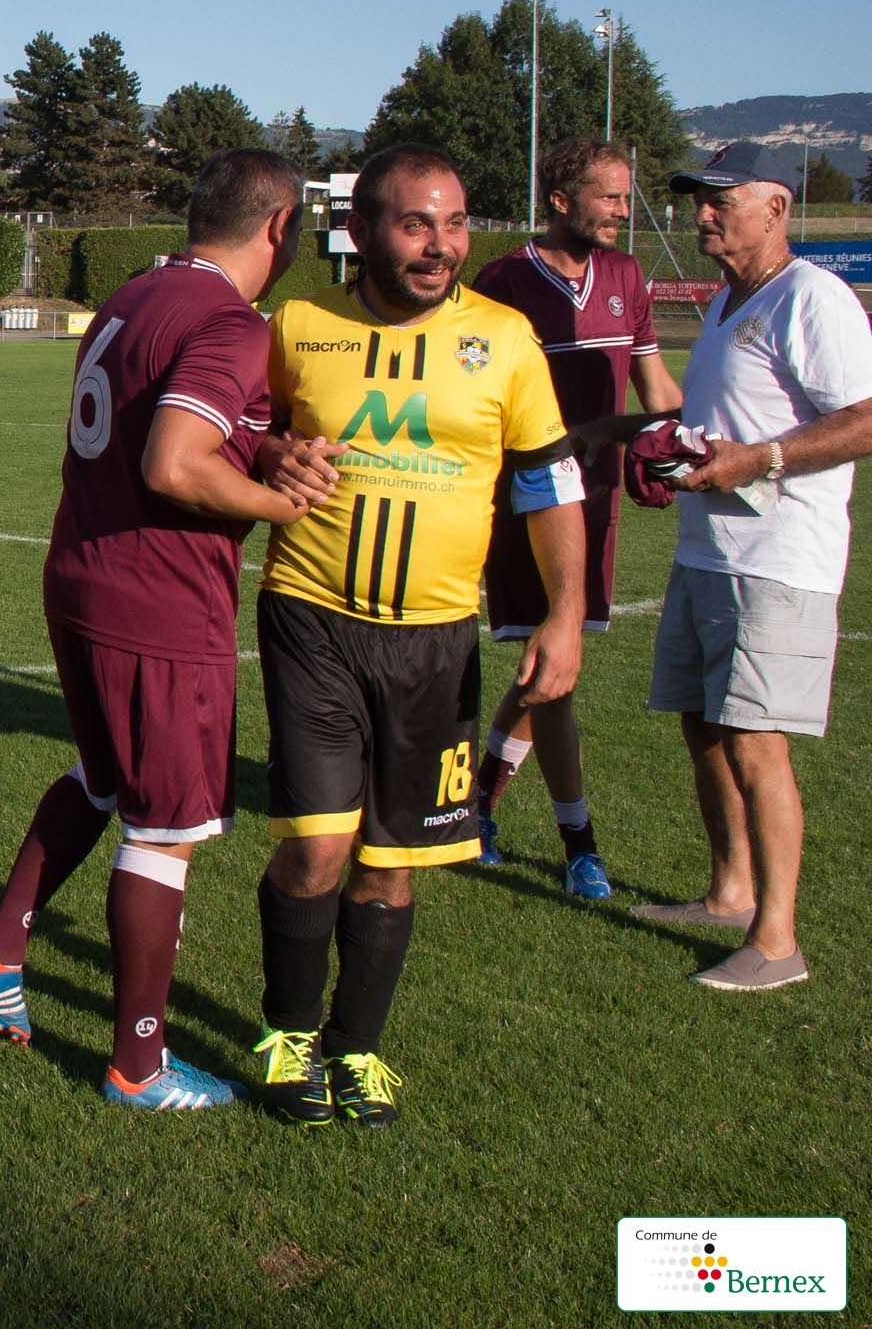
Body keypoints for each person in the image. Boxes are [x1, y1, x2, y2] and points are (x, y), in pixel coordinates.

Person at [0, 149, 311, 1112]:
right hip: (159, 599)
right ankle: (137, 1067)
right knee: (164, 828)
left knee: (103, 778)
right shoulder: (231, 322)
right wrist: (283, 506)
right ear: (280, 227)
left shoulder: (133, 295)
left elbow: (185, 427)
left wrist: (265, 451)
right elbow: (175, 463)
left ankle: (0, 951)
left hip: (82, 574)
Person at [249, 144, 585, 1127]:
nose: (441, 245)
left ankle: (358, 1049)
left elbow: (548, 483)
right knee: (317, 849)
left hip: (436, 641)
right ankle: (287, 1036)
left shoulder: (507, 340)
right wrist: (270, 451)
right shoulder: (300, 326)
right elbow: (240, 430)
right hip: (311, 617)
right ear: (361, 231)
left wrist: (566, 614)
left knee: (390, 863)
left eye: (455, 222)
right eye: (415, 224)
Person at [625, 141, 872, 992]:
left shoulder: (812, 296)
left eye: (720, 200)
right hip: (708, 552)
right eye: (698, 199)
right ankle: (730, 894)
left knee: (756, 742)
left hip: (779, 561)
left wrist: (757, 459)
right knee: (703, 725)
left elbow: (865, 418)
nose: (701, 214)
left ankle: (778, 942)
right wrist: (660, 449)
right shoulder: (731, 302)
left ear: (776, 208)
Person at [464, 138, 680, 897]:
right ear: (561, 201)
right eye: (610, 197)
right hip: (525, 503)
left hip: (600, 506)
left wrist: (685, 446)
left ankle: (475, 809)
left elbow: (658, 390)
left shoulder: (626, 276)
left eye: (626, 196)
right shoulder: (502, 282)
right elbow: (472, 393)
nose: (624, 210)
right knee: (553, 675)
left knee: (547, 667)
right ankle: (579, 843)